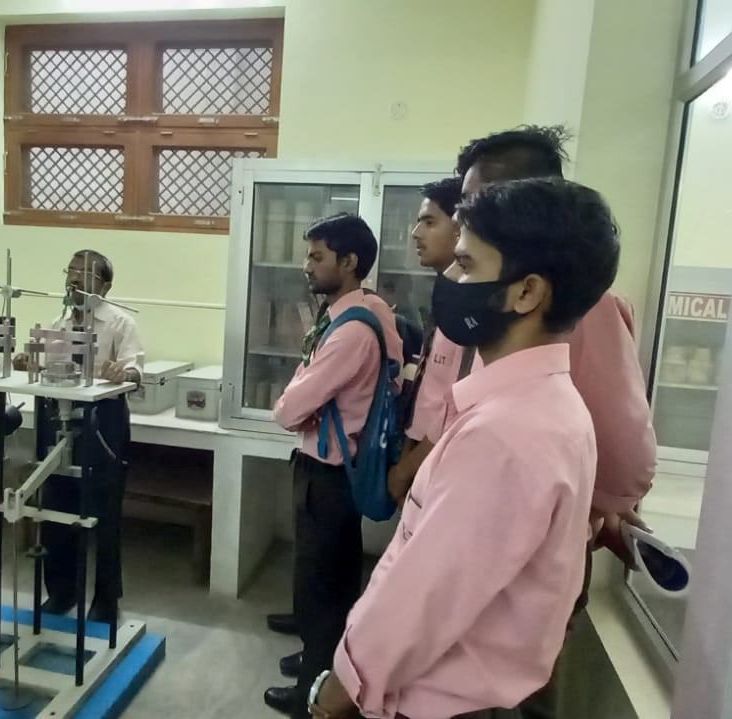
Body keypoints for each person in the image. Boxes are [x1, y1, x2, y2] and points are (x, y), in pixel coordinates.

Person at [310, 177, 620, 719]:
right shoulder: (546, 405)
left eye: (467, 264)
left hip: (442, 703)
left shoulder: (505, 433)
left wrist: (341, 690)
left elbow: (424, 598)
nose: (451, 279)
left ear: (526, 292)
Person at [455, 126, 657, 717]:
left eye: (478, 199)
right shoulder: (484, 296)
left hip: (533, 551)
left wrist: (591, 507)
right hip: (472, 533)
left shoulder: (582, 308)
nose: (466, 216)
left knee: (513, 694)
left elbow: (626, 453)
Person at [265, 214, 403, 718]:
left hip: (326, 473)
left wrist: (296, 398)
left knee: (320, 587)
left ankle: (312, 694)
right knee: (334, 579)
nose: (307, 265)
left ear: (349, 262)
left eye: (317, 256)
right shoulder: (369, 310)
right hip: (339, 470)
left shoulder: (352, 333)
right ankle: (319, 661)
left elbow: (289, 411)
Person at [15, 250, 143, 624]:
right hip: (57, 418)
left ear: (105, 286)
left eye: (84, 273)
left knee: (104, 514)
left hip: (102, 424)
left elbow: (136, 371)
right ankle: (61, 592)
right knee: (56, 507)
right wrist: (27, 362)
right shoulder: (58, 321)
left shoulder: (120, 323)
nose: (73, 279)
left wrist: (123, 373)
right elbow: (46, 366)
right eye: (70, 271)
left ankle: (106, 599)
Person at [387, 176, 465, 504]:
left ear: (460, 228)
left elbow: (458, 405)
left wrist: (407, 469)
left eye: (429, 222)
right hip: (420, 452)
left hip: (444, 462)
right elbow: (431, 391)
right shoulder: (447, 294)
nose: (416, 233)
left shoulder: (471, 309)